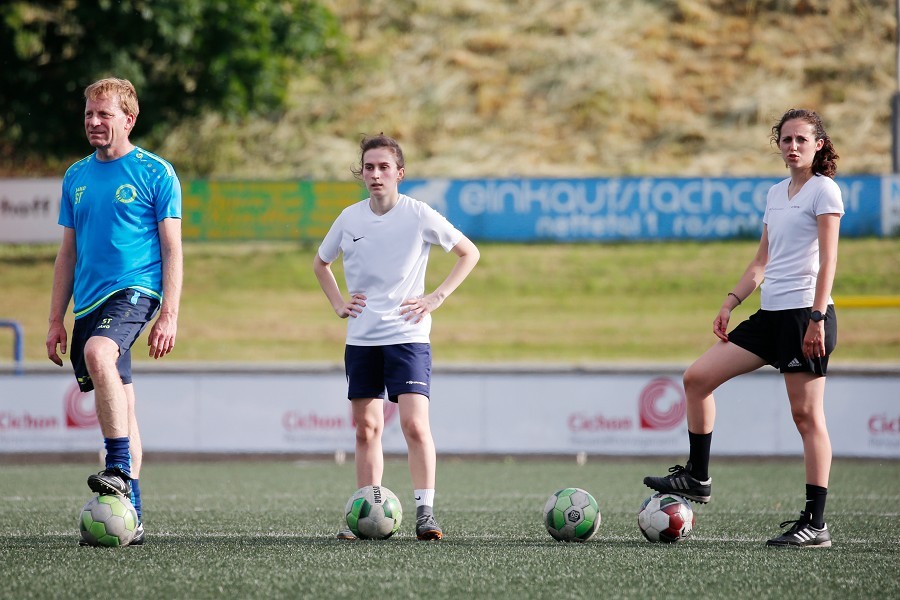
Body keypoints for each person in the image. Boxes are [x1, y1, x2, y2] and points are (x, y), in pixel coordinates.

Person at [643, 108, 842, 548]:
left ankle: (816, 523)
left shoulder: (825, 190)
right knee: (697, 378)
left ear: (818, 145)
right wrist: (730, 302)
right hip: (769, 317)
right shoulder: (775, 193)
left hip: (803, 316)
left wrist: (815, 318)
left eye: (801, 140)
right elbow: (760, 262)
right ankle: (697, 477)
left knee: (806, 417)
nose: (793, 146)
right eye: (786, 139)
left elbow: (829, 260)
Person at [314, 134, 479, 541]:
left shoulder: (418, 214)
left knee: (414, 425)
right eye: (369, 167)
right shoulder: (349, 218)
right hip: (362, 339)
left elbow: (469, 253)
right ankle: (366, 513)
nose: (375, 174)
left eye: (384, 167)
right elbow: (321, 263)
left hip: (408, 336)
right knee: (366, 429)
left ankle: (425, 513)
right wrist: (338, 303)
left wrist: (436, 297)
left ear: (399, 173)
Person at [46, 77, 183, 546]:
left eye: (104, 114)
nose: (94, 121)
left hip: (135, 290)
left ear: (129, 119)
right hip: (88, 302)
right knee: (123, 403)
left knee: (99, 354)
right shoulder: (75, 176)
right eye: (89, 113)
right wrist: (55, 319)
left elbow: (172, 249)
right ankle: (134, 515)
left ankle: (118, 468)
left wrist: (169, 314)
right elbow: (67, 253)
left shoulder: (156, 172)